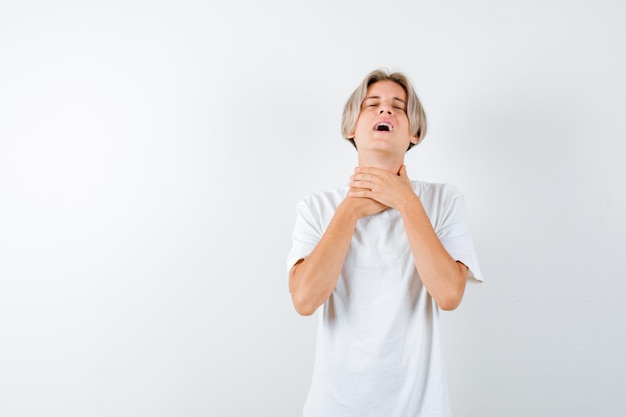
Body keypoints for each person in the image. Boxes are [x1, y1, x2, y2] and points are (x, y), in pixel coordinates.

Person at [287, 69, 483, 416]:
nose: (385, 111)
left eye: (398, 106)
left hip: (421, 408)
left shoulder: (442, 201)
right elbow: (304, 300)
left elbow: (450, 295)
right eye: (372, 104)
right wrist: (350, 210)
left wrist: (406, 202)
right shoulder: (316, 208)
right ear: (351, 128)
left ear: (415, 133)